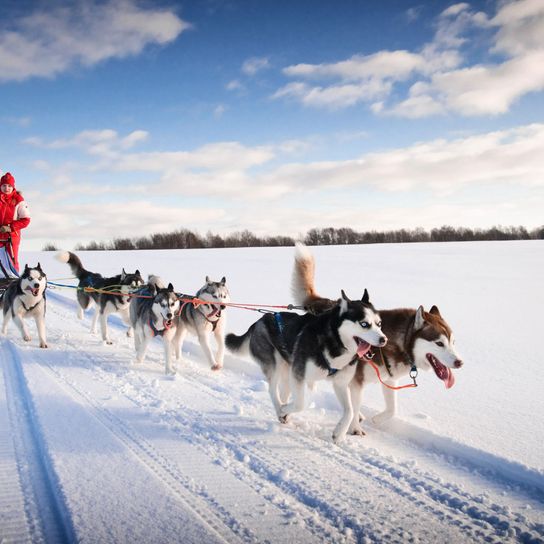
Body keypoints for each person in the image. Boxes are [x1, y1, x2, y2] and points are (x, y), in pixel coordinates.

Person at [0, 172, 30, 276]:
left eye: (9, 186)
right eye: (4, 185)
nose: (6, 188)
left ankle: (14, 281)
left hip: (11, 237)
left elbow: (26, 220)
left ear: (13, 187)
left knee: (11, 261)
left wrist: (9, 228)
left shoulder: (18, 200)